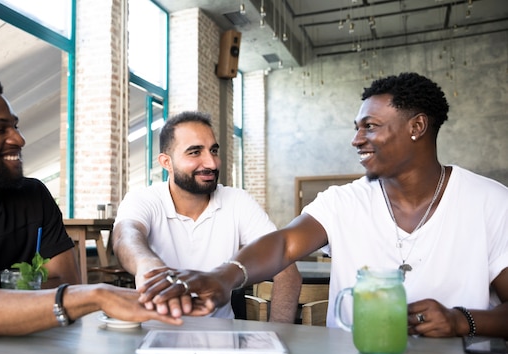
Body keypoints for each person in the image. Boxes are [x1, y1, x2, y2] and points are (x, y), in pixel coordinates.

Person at [138, 72, 508, 338]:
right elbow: (284, 244)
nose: (356, 139)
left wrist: (463, 321)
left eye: (370, 126)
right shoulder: (343, 201)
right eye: (356, 127)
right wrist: (222, 278)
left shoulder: (489, 202)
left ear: (417, 126)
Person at [0, 67, 181, 337]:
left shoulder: (33, 196)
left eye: (15, 125)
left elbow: (64, 280)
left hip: (22, 350)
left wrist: (8, 305)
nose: (19, 139)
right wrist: (98, 295)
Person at [112, 111, 302, 322]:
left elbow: (286, 271)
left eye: (213, 151)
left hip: (221, 338)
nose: (211, 163)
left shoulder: (237, 201)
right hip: (156, 334)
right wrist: (146, 264)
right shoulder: (144, 198)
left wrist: (277, 336)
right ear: (166, 162)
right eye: (194, 152)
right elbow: (125, 236)